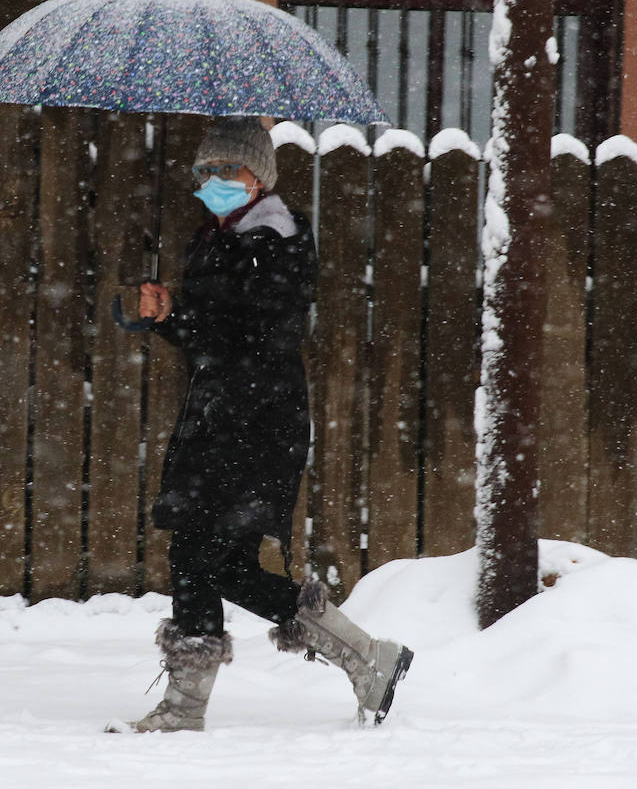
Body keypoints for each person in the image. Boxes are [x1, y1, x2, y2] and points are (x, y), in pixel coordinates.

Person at [107, 117, 412, 734]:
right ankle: (367, 660)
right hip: (217, 416)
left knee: (204, 556)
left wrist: (191, 314)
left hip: (258, 422)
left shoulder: (278, 239)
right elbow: (209, 342)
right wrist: (166, 316)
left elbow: (258, 338)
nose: (214, 181)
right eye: (204, 171)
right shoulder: (214, 240)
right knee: (217, 562)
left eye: (228, 170)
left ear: (260, 176)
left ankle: (187, 707)